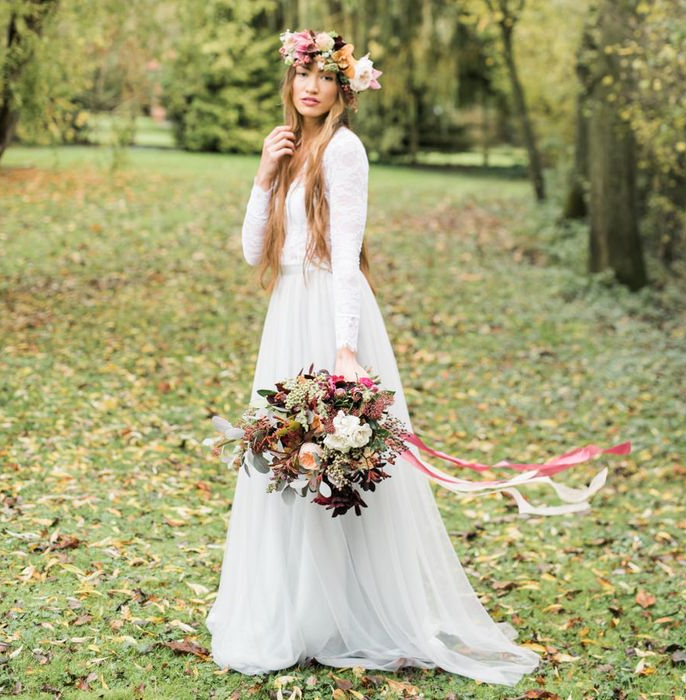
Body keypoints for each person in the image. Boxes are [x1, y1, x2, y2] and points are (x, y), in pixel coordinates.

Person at [205, 28, 544, 686]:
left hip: (331, 316)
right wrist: (264, 176)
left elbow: (347, 259)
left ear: (343, 89)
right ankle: (294, 611)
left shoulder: (344, 150)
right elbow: (253, 254)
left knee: (337, 467)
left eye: (324, 77)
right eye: (301, 75)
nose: (309, 86)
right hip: (285, 318)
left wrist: (344, 348)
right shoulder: (290, 148)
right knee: (288, 463)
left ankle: (349, 614)